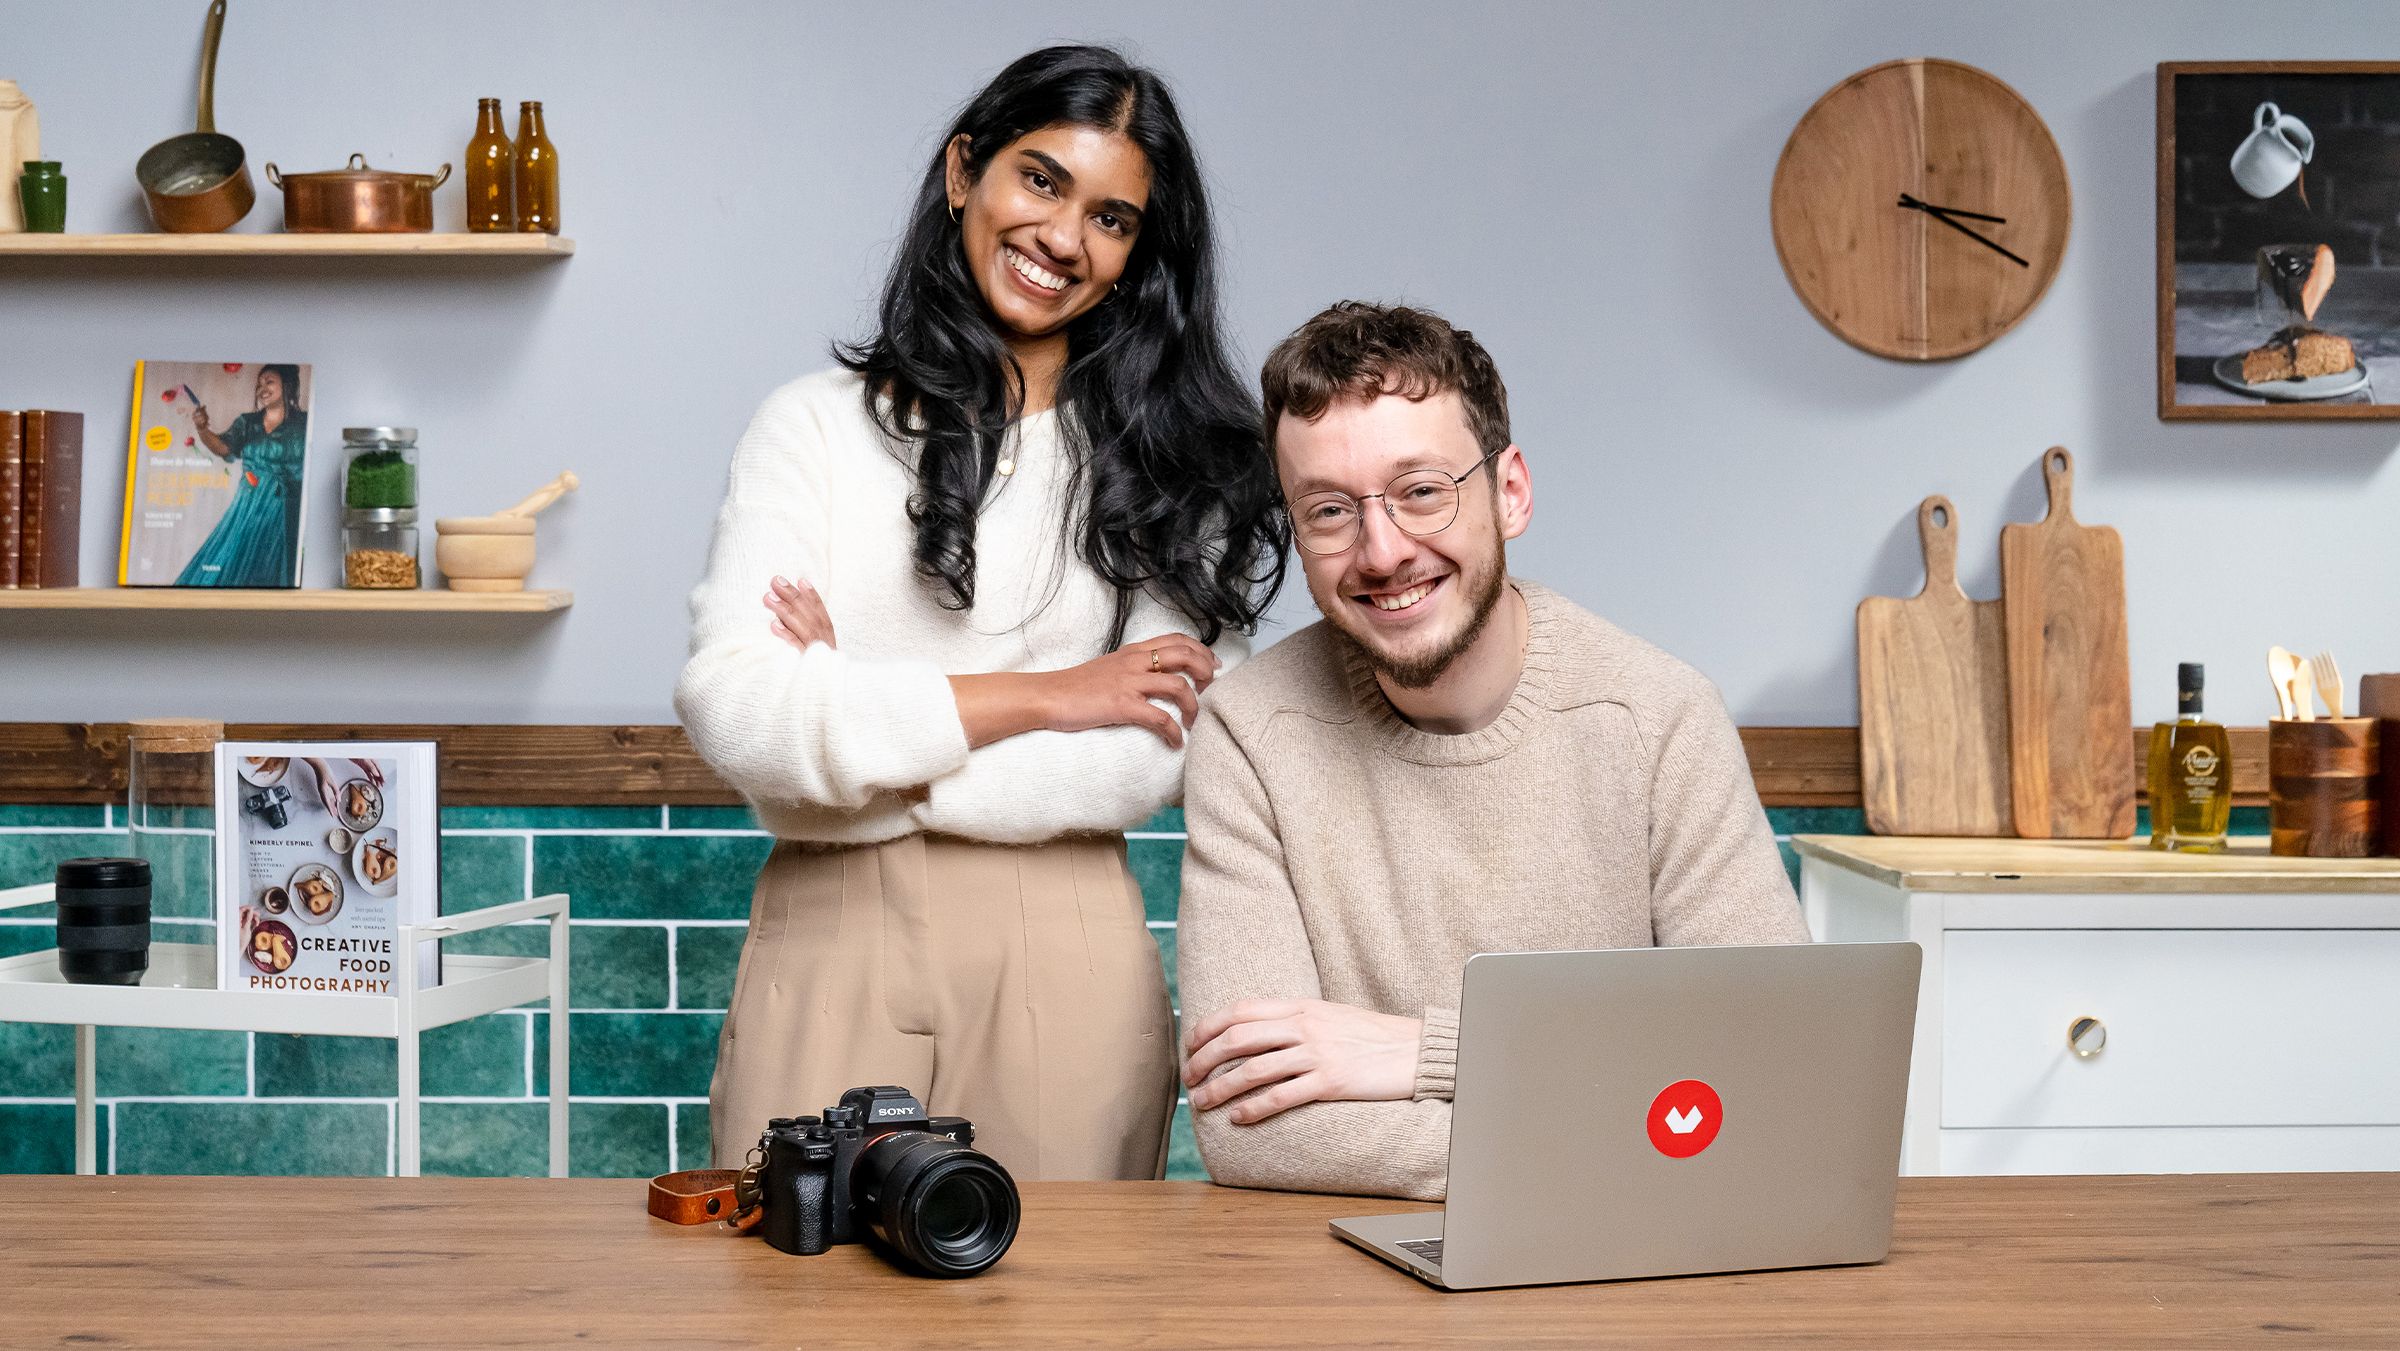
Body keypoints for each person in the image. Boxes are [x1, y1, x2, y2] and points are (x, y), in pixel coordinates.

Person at [675, 45, 1285, 1182]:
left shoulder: (1175, 465)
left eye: (1111, 217)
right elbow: (742, 708)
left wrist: (856, 723)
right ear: (966, 172)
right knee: (801, 1307)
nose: (1064, 236)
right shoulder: (810, 429)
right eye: (1041, 180)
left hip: (1065, 938)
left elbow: (1146, 752)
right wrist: (1052, 695)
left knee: (1072, 1307)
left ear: (1137, 256)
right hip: (830, 927)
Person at [1176, 302, 1808, 1201]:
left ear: (1509, 491)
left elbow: (1768, 1057)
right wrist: (1617, 1121)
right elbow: (1254, 1129)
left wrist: (1424, 1051)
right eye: (1328, 511)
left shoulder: (1660, 717)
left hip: (1616, 1276)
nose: (1383, 550)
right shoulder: (1249, 733)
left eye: (1422, 490)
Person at [179, 364, 306, 587]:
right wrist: (202, 429)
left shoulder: (304, 423)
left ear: (286, 385)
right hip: (248, 507)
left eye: (269, 382)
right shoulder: (248, 422)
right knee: (230, 567)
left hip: (285, 511)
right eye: (259, 384)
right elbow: (223, 449)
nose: (262, 388)